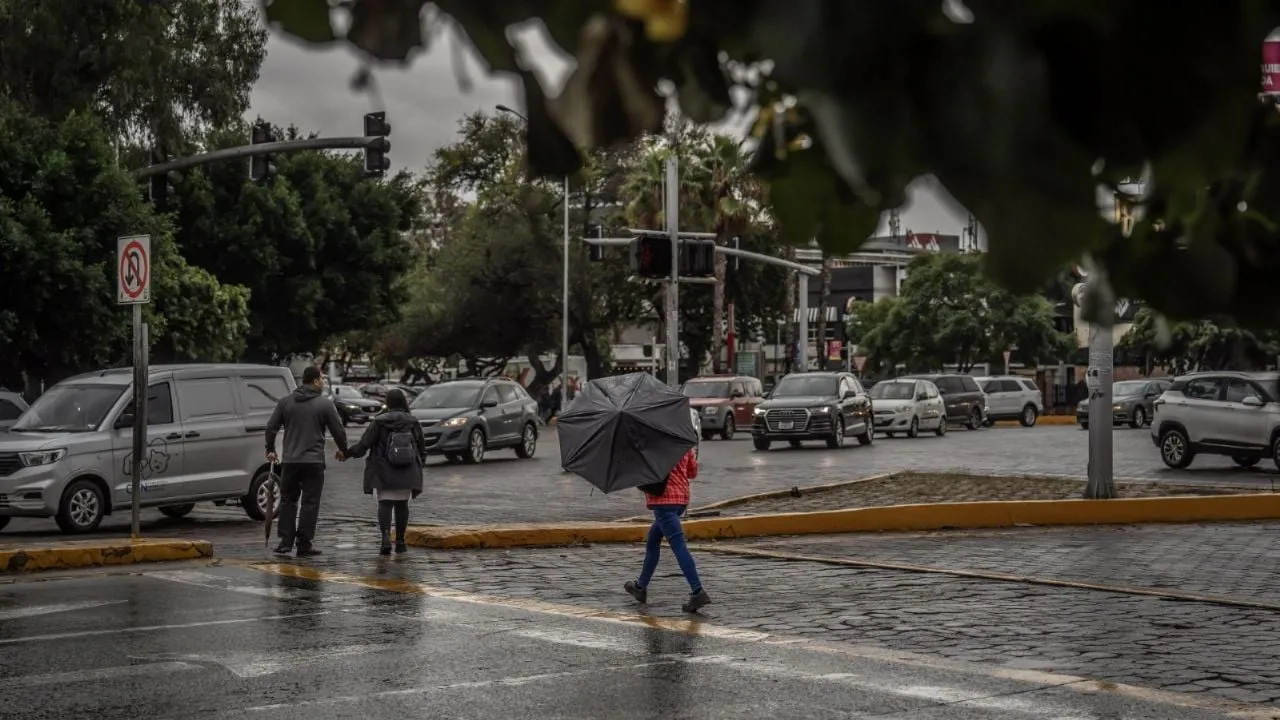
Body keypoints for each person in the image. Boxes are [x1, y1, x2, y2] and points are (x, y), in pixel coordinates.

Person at [265, 365, 349, 557]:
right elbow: (338, 431)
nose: (324, 382)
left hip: (291, 461)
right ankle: (304, 544)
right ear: (316, 381)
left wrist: (269, 449)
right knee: (310, 503)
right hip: (314, 462)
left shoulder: (285, 403)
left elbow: (271, 428)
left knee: (287, 500)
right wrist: (344, 450)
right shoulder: (325, 404)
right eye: (322, 379)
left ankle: (285, 542)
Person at [623, 446, 711, 613]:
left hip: (663, 502)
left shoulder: (653, 444)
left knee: (678, 546)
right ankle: (640, 587)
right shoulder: (683, 440)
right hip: (680, 501)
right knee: (653, 540)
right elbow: (692, 472)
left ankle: (698, 591)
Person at [341, 389, 425, 555]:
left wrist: (347, 453)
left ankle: (385, 538)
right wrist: (420, 465)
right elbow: (421, 447)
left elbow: (364, 444)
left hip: (383, 469)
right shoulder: (413, 421)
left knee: (385, 503)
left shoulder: (379, 422)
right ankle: (400, 541)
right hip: (407, 468)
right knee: (402, 504)